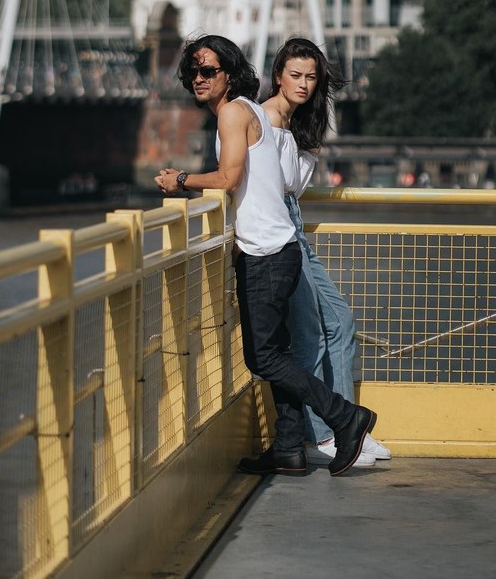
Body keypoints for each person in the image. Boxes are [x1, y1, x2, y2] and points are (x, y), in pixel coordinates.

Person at [154, 34, 377, 477]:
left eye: (208, 71)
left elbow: (229, 176)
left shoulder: (235, 113)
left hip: (268, 252)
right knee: (279, 352)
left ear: (231, 74)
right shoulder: (254, 113)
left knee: (265, 358)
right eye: (193, 72)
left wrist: (180, 180)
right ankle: (290, 449)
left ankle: (346, 418)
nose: (198, 79)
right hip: (275, 247)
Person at [262, 37, 391, 466]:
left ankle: (347, 426)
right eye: (295, 75)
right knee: (311, 335)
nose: (303, 84)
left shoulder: (300, 121)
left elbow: (294, 186)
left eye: (311, 77)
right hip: (279, 227)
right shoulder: (263, 119)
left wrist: (309, 144)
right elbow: (273, 185)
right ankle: (324, 437)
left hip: (294, 221)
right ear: (278, 75)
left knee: (340, 320)